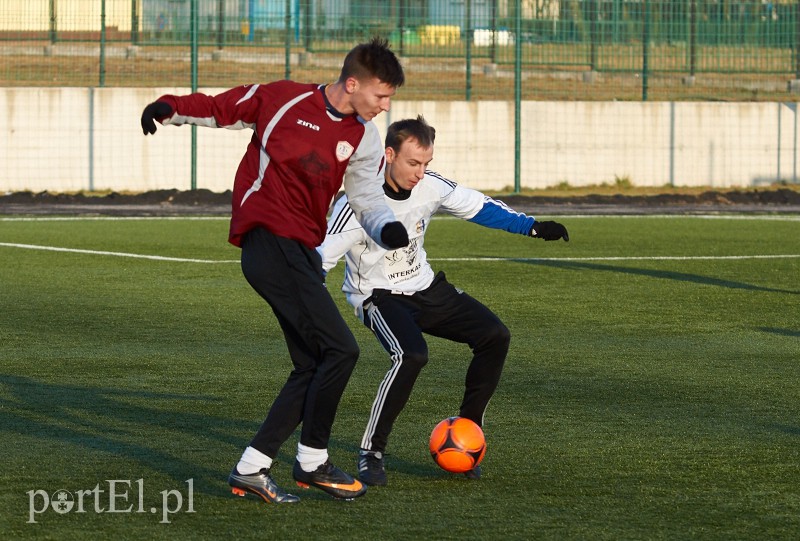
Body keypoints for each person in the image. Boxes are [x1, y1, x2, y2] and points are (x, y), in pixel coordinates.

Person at [140, 38, 410, 503]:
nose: (385, 107)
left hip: (301, 252)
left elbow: (366, 195)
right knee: (341, 351)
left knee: (312, 363)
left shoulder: (363, 137)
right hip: (268, 240)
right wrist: (169, 107)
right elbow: (221, 106)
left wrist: (386, 228)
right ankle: (312, 461)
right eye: (381, 96)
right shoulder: (284, 98)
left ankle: (252, 467)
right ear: (353, 84)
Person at [317, 115, 568, 486]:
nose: (420, 173)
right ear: (389, 155)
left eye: (426, 164)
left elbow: (479, 206)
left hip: (426, 287)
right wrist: (309, 314)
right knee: (412, 355)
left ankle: (469, 431)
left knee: (494, 336)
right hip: (378, 296)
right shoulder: (356, 204)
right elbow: (318, 261)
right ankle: (372, 451)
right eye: (413, 163)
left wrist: (532, 226)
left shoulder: (430, 186)